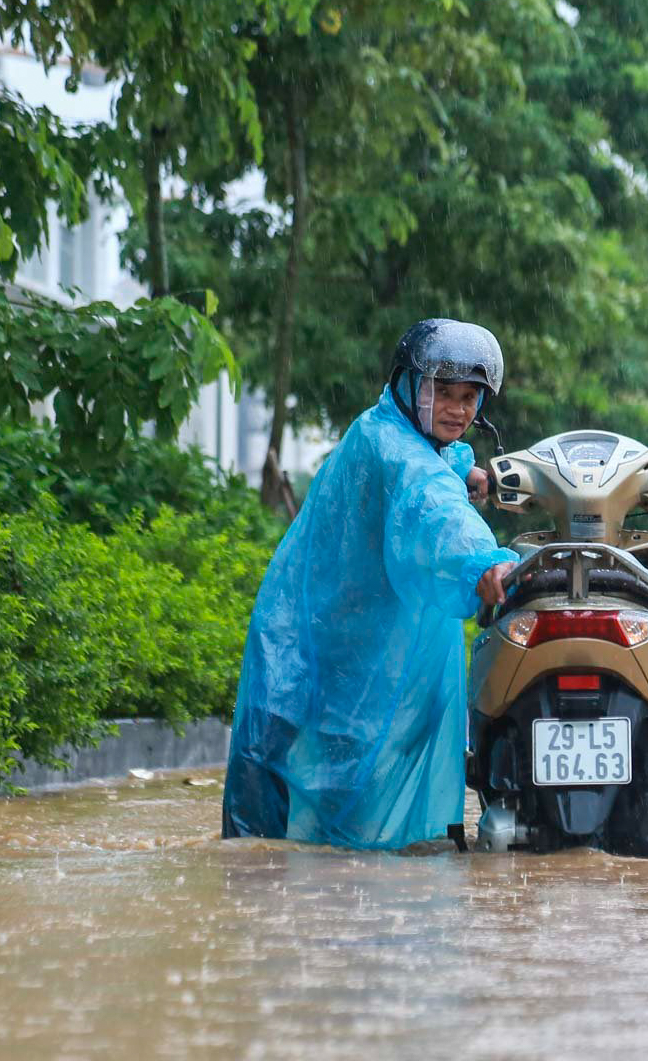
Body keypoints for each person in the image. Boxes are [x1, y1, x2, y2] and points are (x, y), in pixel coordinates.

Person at [221, 319, 520, 848]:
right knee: (285, 761)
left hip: (350, 626)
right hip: (319, 629)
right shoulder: (394, 448)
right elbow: (429, 504)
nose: (457, 409)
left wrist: (464, 469)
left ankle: (311, 879)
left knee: (347, 762)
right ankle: (267, 885)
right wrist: (483, 563)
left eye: (469, 397)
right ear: (410, 386)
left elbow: (437, 467)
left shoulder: (397, 429)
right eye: (442, 393)